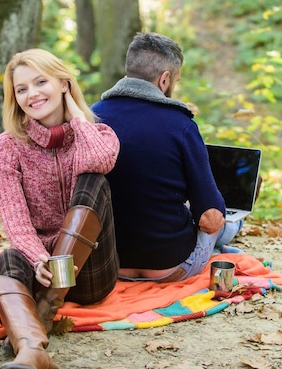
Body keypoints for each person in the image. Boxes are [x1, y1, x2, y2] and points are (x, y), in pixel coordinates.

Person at [0, 48, 120, 369]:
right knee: (8, 257)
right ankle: (32, 350)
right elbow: (15, 223)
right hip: (42, 273)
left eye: (41, 82)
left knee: (93, 180)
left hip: (88, 272)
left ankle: (46, 308)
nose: (31, 94)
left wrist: (77, 118)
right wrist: (38, 259)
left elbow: (101, 161)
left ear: (63, 83)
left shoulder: (98, 134)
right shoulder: (5, 148)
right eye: (21, 89)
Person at [91, 32, 245, 284]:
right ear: (164, 79)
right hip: (171, 268)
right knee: (224, 222)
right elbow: (209, 218)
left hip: (110, 266)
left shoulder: (90, 118)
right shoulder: (180, 124)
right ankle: (232, 233)